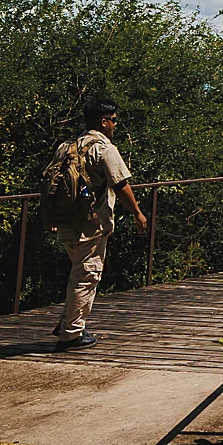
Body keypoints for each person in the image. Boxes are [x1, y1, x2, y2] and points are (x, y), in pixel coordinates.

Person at [52, 98, 148, 352]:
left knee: (79, 271)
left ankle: (67, 321)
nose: (116, 125)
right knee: (87, 274)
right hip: (91, 223)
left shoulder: (67, 146)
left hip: (66, 220)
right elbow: (120, 184)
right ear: (104, 122)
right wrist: (138, 213)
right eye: (114, 120)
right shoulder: (104, 148)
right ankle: (71, 334)